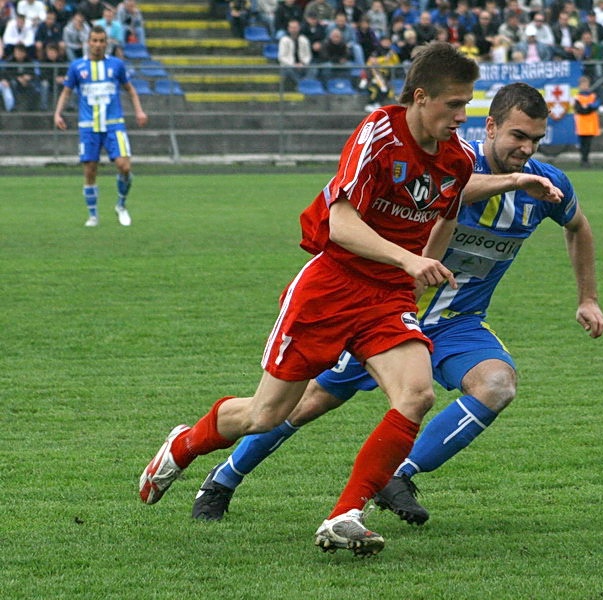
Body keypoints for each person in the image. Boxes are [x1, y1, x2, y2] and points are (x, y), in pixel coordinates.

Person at [190, 82, 603, 527]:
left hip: (455, 321)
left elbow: (579, 227)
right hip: (384, 308)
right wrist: (511, 181)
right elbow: (451, 191)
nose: (526, 149)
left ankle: (398, 474)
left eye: (536, 140)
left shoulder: (545, 186)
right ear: (490, 127)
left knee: (497, 385)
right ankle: (223, 479)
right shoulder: (453, 160)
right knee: (308, 402)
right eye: (518, 136)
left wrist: (588, 298)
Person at [138, 42, 483, 558]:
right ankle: (184, 445)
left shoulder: (458, 158)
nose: (462, 116)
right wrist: (410, 260)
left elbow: (447, 215)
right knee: (265, 415)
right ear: (420, 97)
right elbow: (340, 225)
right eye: (454, 105)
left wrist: (417, 272)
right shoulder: (379, 135)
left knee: (416, 395)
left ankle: (345, 515)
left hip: (386, 294)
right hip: (331, 284)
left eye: (467, 105)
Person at [53, 26, 148, 227]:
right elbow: (66, 92)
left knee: (124, 166)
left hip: (114, 125)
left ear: (106, 43)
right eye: (94, 40)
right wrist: (57, 113)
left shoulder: (117, 65)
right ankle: (93, 216)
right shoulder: (77, 67)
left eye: (101, 41)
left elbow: (130, 90)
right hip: (89, 126)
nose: (97, 45)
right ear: (88, 42)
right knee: (90, 170)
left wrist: (139, 111)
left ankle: (121, 205)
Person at [1, 42, 40, 111]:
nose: (18, 54)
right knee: (13, 83)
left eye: (20, 52)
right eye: (16, 52)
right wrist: (18, 78)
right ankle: (15, 106)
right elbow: (7, 74)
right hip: (15, 82)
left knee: (35, 87)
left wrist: (28, 77)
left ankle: (32, 108)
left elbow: (33, 73)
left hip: (27, 82)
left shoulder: (29, 61)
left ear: (24, 53)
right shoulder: (10, 61)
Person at [573, 75, 601, 167]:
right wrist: (589, 107)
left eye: (586, 84)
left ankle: (586, 159)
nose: (584, 86)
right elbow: (579, 109)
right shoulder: (577, 97)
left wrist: (587, 107)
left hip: (591, 123)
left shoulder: (593, 95)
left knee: (588, 143)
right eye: (582, 84)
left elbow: (596, 105)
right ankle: (583, 159)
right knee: (582, 143)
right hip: (582, 123)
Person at [277, 18, 310, 89]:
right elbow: (281, 57)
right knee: (288, 69)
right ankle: (301, 84)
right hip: (289, 65)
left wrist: (303, 63)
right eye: (292, 28)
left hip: (302, 65)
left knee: (313, 68)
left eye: (295, 28)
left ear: (299, 28)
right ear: (288, 29)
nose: (294, 30)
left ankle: (306, 84)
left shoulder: (304, 39)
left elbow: (308, 55)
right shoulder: (284, 40)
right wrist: (293, 64)